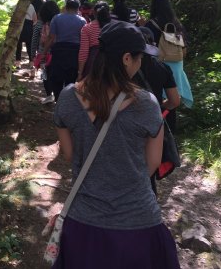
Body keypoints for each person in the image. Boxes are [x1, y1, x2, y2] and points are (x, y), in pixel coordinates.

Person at [52, 21, 180, 269]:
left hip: (83, 219)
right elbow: (152, 164)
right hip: (138, 220)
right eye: (139, 57)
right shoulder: (147, 103)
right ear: (126, 59)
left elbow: (69, 154)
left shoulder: (68, 97)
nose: (141, 63)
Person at [135, 26, 181, 195]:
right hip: (155, 121)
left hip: (130, 121)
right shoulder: (162, 68)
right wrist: (160, 107)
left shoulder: (125, 67)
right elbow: (175, 100)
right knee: (150, 164)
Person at [146, 0, 193, 109]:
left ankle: (162, 115)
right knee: (174, 98)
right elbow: (184, 46)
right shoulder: (176, 23)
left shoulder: (150, 24)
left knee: (161, 99)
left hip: (161, 63)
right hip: (177, 63)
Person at [44, 0, 86, 101]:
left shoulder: (57, 18)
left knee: (57, 78)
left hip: (59, 51)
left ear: (66, 7)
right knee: (70, 79)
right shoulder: (82, 21)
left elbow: (51, 38)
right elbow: (83, 41)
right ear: (78, 8)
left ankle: (58, 100)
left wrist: (44, 52)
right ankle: (67, 103)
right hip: (75, 53)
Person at [30, 0, 60, 104]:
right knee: (55, 74)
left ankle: (49, 95)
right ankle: (57, 95)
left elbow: (34, 39)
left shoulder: (39, 23)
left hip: (43, 54)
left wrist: (32, 54)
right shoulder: (57, 22)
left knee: (44, 74)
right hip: (56, 53)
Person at [77, 1, 110, 81]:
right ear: (108, 12)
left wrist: (80, 73)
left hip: (93, 62)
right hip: (111, 62)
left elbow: (84, 51)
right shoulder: (114, 26)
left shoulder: (87, 28)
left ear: (94, 13)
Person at [15, 0, 37, 68]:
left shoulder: (17, 5)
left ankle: (18, 63)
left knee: (18, 45)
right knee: (29, 45)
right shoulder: (31, 6)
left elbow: (13, 17)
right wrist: (31, 25)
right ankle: (31, 63)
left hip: (19, 24)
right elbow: (35, 19)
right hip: (29, 25)